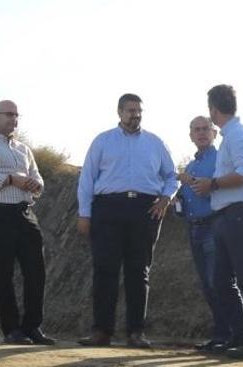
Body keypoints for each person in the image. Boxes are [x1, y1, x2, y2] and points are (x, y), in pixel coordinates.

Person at [76, 93, 177, 348]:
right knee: (105, 270)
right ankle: (102, 332)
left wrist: (165, 199)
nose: (136, 115)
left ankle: (136, 333)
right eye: (131, 110)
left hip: (145, 210)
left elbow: (171, 176)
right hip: (108, 209)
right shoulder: (103, 141)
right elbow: (87, 178)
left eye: (139, 110)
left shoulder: (155, 143)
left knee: (138, 272)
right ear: (119, 112)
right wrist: (85, 214)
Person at [190, 84, 243, 360]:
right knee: (222, 281)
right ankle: (241, 335)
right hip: (227, 215)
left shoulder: (237, 134)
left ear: (213, 109)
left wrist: (212, 183)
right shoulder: (232, 135)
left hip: (240, 213)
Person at [0, 100, 55, 346]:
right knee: (4, 273)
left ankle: (32, 327)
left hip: (24, 213)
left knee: (36, 271)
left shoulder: (24, 149)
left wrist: (36, 184)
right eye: (8, 114)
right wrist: (11, 179)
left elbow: (38, 178)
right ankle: (11, 330)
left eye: (16, 115)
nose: (13, 119)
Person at [174, 116, 236, 352]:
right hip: (195, 228)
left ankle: (232, 335)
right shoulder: (192, 165)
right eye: (196, 130)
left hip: (214, 226)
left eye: (205, 129)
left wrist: (189, 181)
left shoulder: (220, 160)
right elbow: (187, 196)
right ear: (190, 135)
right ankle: (221, 335)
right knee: (208, 285)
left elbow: (217, 187)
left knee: (218, 282)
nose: (201, 133)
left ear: (214, 133)